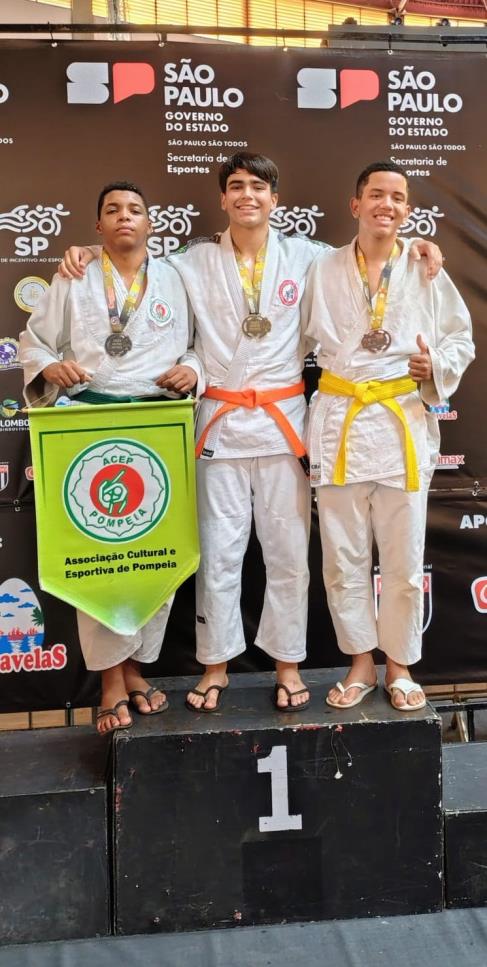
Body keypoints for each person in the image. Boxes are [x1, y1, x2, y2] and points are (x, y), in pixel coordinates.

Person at [58, 154, 442, 713]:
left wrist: (418, 247)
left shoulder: (309, 257)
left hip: (284, 426)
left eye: (258, 186)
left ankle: (288, 664)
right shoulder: (192, 262)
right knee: (219, 554)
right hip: (220, 425)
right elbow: (137, 262)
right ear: (223, 198)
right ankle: (216, 664)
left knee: (288, 556)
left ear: (274, 199)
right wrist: (91, 253)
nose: (247, 195)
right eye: (236, 186)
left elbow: (368, 256)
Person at [20, 182, 203, 733]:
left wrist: (193, 369)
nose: (125, 217)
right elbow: (36, 340)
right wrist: (49, 367)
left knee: (155, 550)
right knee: (102, 551)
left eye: (135, 210)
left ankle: (136, 669)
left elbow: (199, 344)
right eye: (112, 210)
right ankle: (109, 680)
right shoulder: (74, 274)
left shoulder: (176, 276)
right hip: (91, 424)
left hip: (159, 425)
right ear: (97, 226)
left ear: (151, 224)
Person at [302, 161, 474, 711]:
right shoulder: (320, 266)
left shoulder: (424, 268)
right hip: (341, 421)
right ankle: (360, 662)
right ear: (356, 205)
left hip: (401, 421)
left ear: (407, 210)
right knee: (342, 558)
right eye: (376, 194)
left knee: (403, 558)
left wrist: (434, 366)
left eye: (397, 197)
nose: (387, 204)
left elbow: (460, 338)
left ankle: (399, 664)